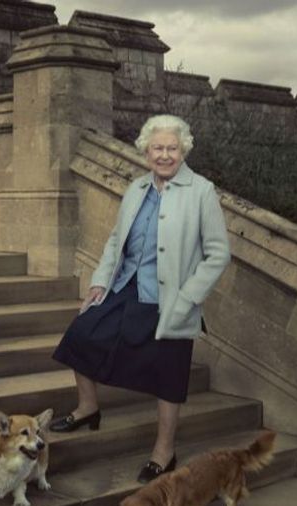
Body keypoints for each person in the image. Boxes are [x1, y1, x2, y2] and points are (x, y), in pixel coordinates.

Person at [50, 114, 231, 483]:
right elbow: (117, 240)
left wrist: (188, 298)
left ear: (183, 150)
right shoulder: (136, 189)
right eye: (157, 148)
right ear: (146, 151)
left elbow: (218, 253)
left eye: (172, 148)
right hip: (126, 285)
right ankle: (87, 408)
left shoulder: (201, 191)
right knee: (81, 335)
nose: (164, 155)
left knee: (169, 373)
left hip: (170, 298)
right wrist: (100, 281)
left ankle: (164, 452)